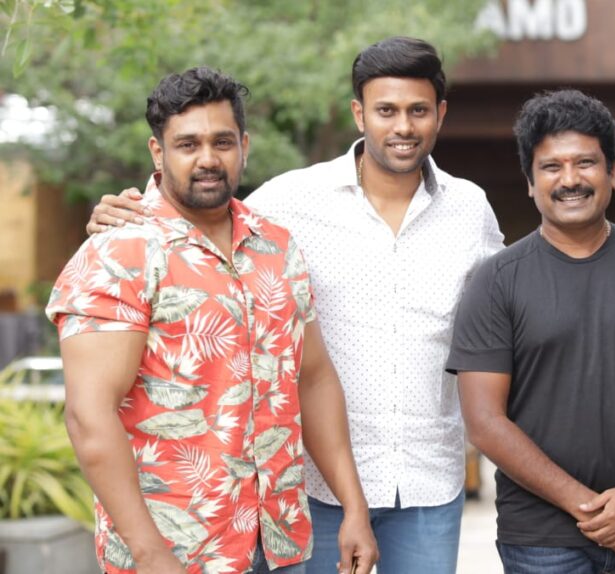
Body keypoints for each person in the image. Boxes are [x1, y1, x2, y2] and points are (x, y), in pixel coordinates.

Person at [86, 37, 505, 574]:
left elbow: (511, 299)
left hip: (428, 479)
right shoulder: (287, 201)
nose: (403, 126)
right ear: (359, 114)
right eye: (386, 110)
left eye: (418, 111)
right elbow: (201, 214)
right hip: (310, 488)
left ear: (440, 114)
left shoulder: (470, 209)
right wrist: (121, 216)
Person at [47, 67, 377, 574]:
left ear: (243, 145)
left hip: (282, 542)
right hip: (177, 551)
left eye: (222, 142)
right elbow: (89, 416)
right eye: (188, 144)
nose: (207, 159)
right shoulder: (119, 253)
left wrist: (353, 507)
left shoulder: (276, 247)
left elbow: (312, 379)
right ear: (158, 152)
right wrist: (151, 555)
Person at [446, 89, 615, 574]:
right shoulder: (495, 281)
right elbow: (485, 422)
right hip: (541, 544)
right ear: (529, 181)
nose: (570, 180)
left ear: (613, 171)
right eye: (551, 167)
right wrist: (596, 511)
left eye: (585, 163)